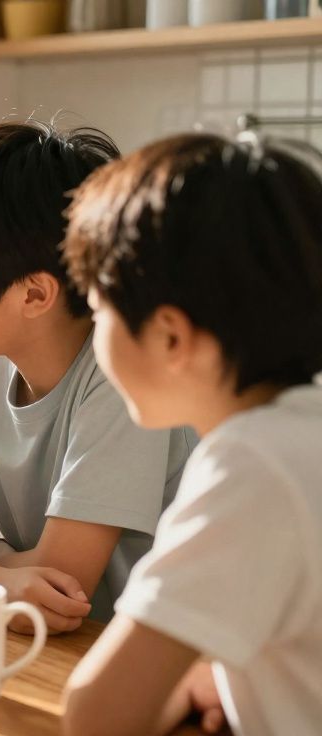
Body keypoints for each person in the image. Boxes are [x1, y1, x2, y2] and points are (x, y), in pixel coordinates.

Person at [0, 120, 198, 633]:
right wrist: (3, 580)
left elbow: (62, 591)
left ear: (33, 294)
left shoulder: (122, 379)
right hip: (64, 648)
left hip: (158, 653)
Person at [61, 133, 322, 736]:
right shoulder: (300, 435)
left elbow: (95, 716)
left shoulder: (250, 465)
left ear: (170, 337)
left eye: (98, 313)